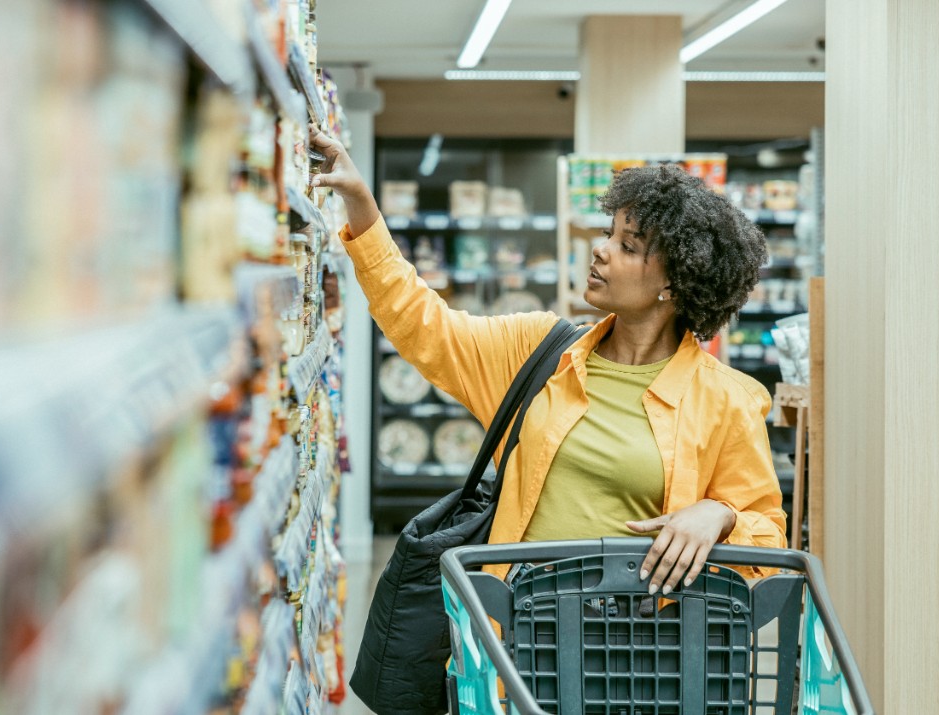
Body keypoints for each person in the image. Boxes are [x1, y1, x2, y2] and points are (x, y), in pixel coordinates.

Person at [310, 127, 786, 591]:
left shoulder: (727, 401)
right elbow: (425, 326)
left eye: (628, 246)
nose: (600, 249)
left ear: (674, 283)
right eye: (609, 233)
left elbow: (768, 543)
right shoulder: (539, 352)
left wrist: (722, 516)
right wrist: (362, 204)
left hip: (646, 641)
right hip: (518, 632)